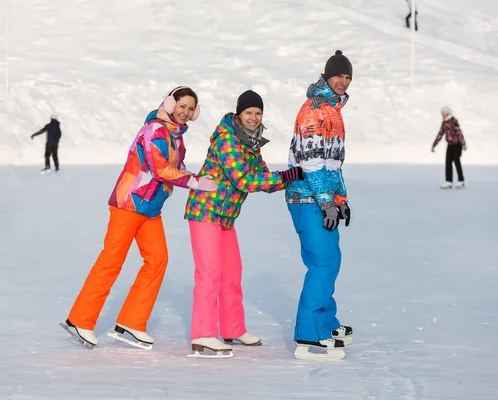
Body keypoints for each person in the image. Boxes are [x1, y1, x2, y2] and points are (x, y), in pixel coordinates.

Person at [63, 86, 218, 348]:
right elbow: (160, 170)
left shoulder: (176, 137)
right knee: (111, 261)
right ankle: (80, 320)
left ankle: (131, 323)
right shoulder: (155, 130)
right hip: (129, 203)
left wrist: (201, 178)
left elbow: (175, 169)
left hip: (149, 208)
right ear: (170, 104)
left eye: (191, 109)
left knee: (158, 260)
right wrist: (195, 182)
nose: (186, 112)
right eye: (182, 106)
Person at [184, 90, 304, 356]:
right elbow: (244, 180)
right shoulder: (227, 140)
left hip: (225, 216)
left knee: (231, 274)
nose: (253, 117)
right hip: (205, 211)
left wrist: (289, 177)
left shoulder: (252, 143)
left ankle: (233, 328)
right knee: (210, 273)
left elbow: (260, 175)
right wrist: (286, 177)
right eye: (248, 113)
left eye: (258, 113)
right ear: (239, 114)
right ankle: (203, 333)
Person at [285, 50, 354, 360]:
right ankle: (309, 335)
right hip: (305, 196)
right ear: (326, 76)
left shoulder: (333, 110)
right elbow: (311, 164)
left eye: (348, 76)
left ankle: (326, 323)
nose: (343, 81)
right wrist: (326, 202)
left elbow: (332, 164)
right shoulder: (314, 111)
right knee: (322, 262)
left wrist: (341, 199)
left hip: (320, 198)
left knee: (331, 260)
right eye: (338, 75)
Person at [431, 106, 467, 189]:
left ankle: (461, 180)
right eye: (442, 114)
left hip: (457, 144)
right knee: (448, 162)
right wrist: (434, 145)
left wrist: (463, 144)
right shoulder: (444, 123)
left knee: (456, 160)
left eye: (443, 114)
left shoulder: (453, 121)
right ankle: (448, 181)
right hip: (450, 145)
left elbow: (459, 133)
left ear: (447, 114)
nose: (442, 115)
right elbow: (440, 134)